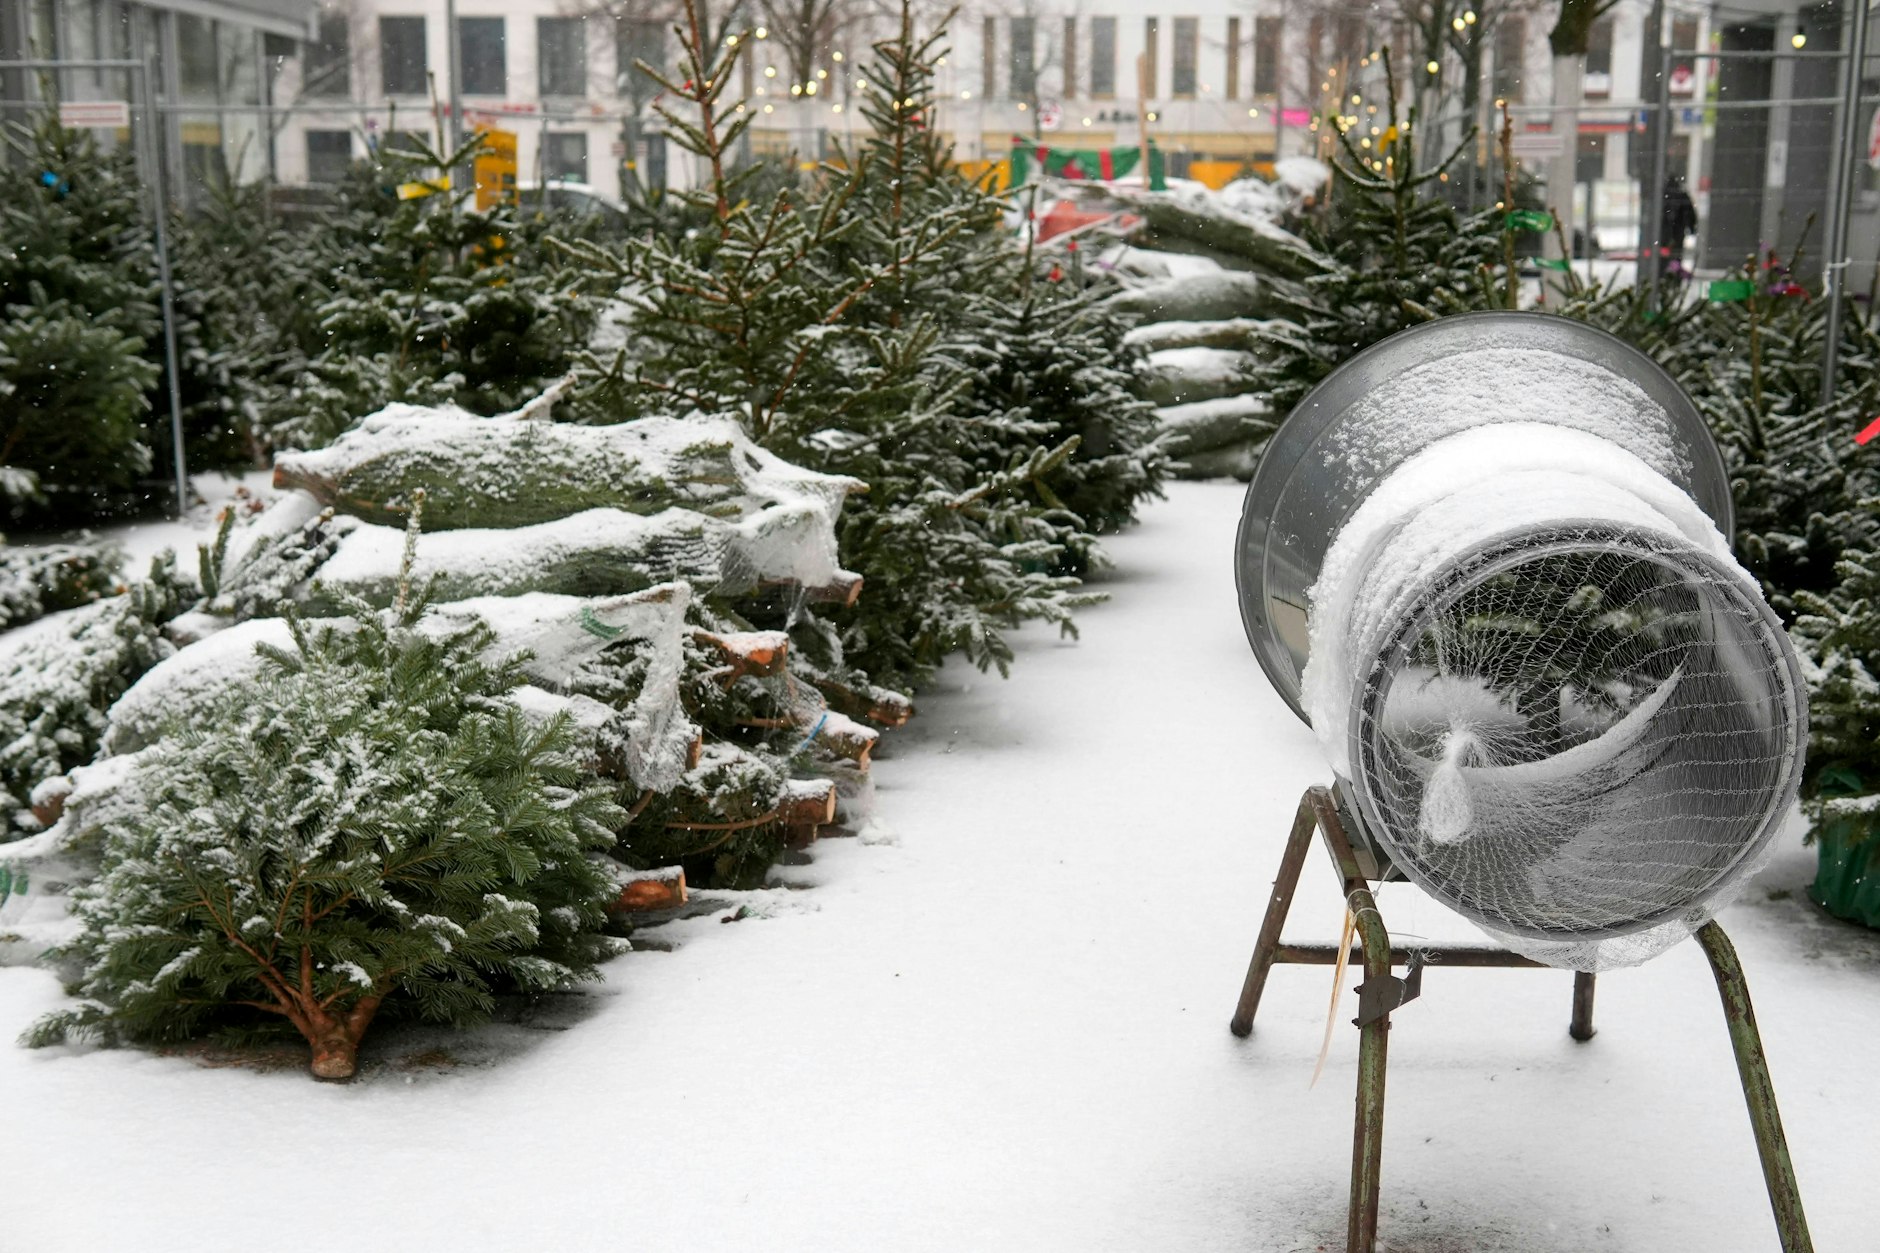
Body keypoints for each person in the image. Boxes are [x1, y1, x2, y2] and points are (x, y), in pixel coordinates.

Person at [1661, 175, 1698, 271]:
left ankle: (1663, 273)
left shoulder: (1662, 196)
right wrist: (1691, 228)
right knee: (1676, 254)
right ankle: (1675, 274)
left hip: (1664, 232)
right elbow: (1690, 213)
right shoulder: (1682, 195)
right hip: (1678, 231)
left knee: (1663, 255)